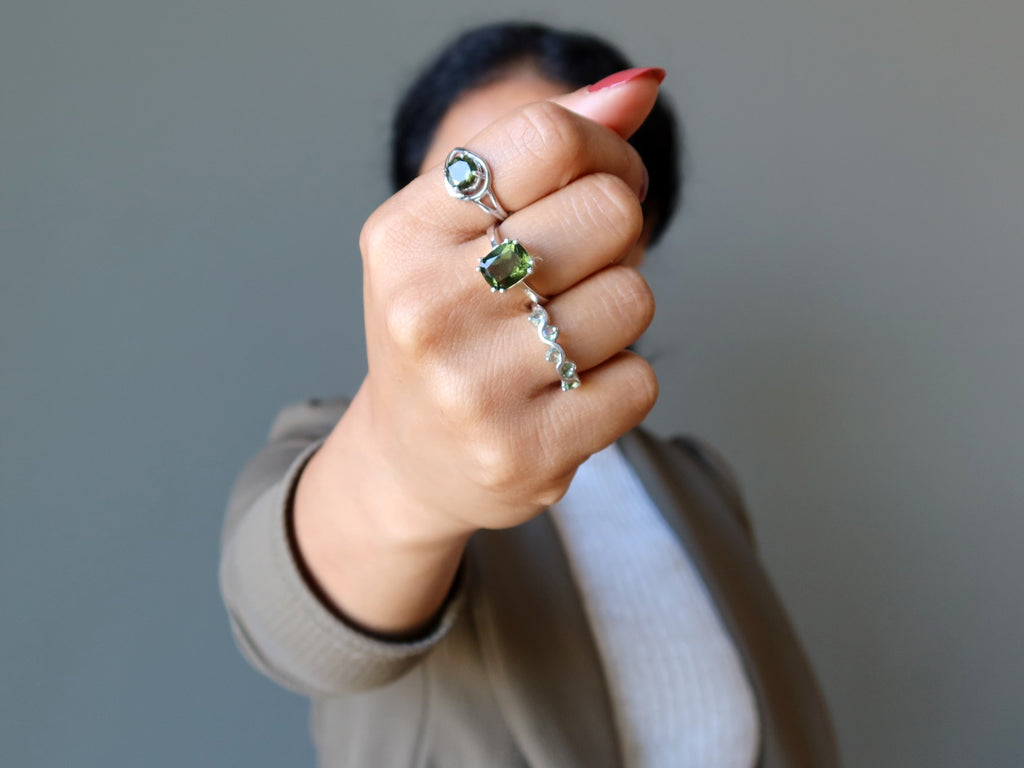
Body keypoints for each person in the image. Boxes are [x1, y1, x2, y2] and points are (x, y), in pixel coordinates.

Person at [220, 21, 838, 768]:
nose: (505, 220)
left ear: (633, 228)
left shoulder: (699, 484)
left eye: (559, 187)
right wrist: (400, 471)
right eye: (467, 181)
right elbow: (289, 617)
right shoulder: (323, 443)